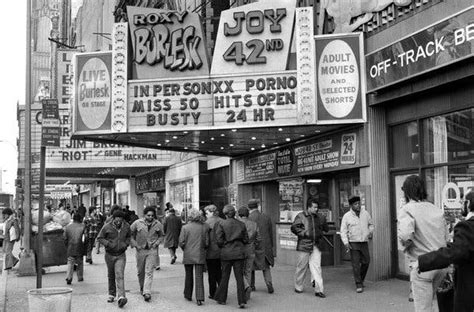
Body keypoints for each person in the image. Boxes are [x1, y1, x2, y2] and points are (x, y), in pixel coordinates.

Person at [398, 175, 449, 311]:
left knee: (423, 308)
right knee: (431, 303)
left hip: (423, 265)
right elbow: (446, 238)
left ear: (407, 192)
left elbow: (405, 236)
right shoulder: (436, 209)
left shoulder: (407, 209)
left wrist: (406, 247)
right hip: (441, 264)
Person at [417, 191, 474, 312]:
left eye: (463, 201)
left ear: (468, 204)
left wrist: (423, 261)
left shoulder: (467, 227)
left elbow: (455, 252)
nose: (460, 204)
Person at [291, 198, 329, 297]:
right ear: (309, 207)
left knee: (316, 267)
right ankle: (298, 286)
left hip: (316, 244)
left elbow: (326, 228)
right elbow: (294, 227)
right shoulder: (301, 216)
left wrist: (322, 227)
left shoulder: (320, 217)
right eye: (314, 207)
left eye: (317, 207)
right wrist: (304, 233)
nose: (316, 209)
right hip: (304, 245)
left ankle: (319, 290)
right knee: (301, 267)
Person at [213, 204, 249, 308]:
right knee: (239, 277)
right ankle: (242, 300)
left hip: (226, 252)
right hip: (239, 252)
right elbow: (246, 239)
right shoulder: (241, 224)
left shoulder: (221, 224)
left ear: (225, 213)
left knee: (225, 276)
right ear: (234, 213)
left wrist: (225, 244)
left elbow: (219, 240)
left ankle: (222, 298)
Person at [340, 195, 375, 293]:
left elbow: (371, 224)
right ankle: (358, 284)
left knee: (366, 261)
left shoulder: (365, 213)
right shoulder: (347, 216)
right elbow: (343, 231)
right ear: (351, 205)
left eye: (359, 203)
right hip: (353, 242)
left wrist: (370, 232)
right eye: (355, 204)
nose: (358, 205)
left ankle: (361, 279)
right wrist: (346, 243)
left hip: (363, 241)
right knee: (356, 264)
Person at [97, 210, 131, 308]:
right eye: (117, 219)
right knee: (111, 274)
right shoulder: (107, 227)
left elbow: (129, 236)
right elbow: (100, 238)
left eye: (121, 219)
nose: (119, 221)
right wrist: (108, 244)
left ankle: (121, 297)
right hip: (109, 254)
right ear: (113, 219)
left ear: (123, 219)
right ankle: (111, 294)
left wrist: (126, 244)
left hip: (121, 254)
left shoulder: (127, 226)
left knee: (119, 274)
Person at [130, 206, 164, 302]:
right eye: (148, 215)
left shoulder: (158, 224)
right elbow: (130, 234)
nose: (150, 217)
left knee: (149, 271)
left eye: (152, 215)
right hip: (140, 250)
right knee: (140, 271)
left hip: (152, 250)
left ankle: (147, 292)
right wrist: (135, 244)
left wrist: (156, 243)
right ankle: (142, 287)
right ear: (144, 215)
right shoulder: (137, 223)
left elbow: (162, 236)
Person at [179, 209, 210, 306]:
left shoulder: (185, 227)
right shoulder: (204, 227)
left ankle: (188, 294)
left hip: (188, 253)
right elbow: (206, 242)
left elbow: (181, 242)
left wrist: (185, 249)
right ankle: (199, 298)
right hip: (200, 253)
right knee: (199, 276)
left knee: (188, 275)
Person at [248, 198, 274, 293]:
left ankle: (251, 285)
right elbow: (270, 233)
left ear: (249, 207)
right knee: (266, 267)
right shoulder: (266, 217)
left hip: (253, 245)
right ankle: (269, 283)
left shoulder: (248, 218)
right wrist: (271, 246)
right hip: (265, 245)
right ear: (258, 206)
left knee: (251, 266)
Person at [238, 206, 261, 301]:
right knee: (248, 270)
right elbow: (259, 238)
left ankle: (246, 287)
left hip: (240, 250)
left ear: (239, 215)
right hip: (251, 249)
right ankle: (247, 294)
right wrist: (254, 244)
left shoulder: (238, 224)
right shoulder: (254, 224)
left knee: (239, 270)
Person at [204, 204, 223, 299]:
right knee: (219, 272)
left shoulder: (206, 223)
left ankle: (213, 293)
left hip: (210, 252)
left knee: (211, 273)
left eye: (206, 213)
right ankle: (222, 291)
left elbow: (205, 239)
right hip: (221, 251)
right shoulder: (222, 221)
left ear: (211, 212)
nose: (205, 215)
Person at [64, 213, 86, 284]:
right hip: (80, 247)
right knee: (80, 262)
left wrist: (67, 245)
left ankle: (69, 277)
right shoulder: (83, 226)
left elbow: (65, 238)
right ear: (80, 219)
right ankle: (80, 277)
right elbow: (86, 238)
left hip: (70, 247)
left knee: (70, 262)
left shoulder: (67, 227)